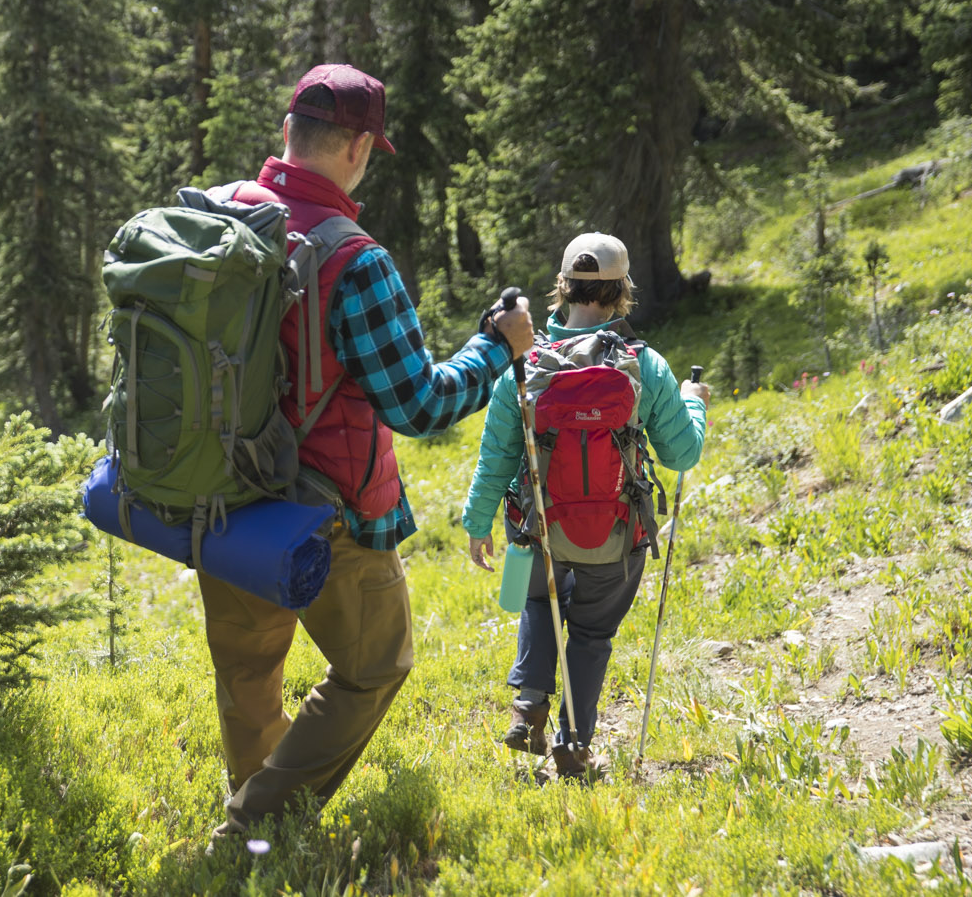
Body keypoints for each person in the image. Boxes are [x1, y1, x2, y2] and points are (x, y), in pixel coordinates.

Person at [200, 63, 536, 839]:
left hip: (218, 494)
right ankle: (254, 826)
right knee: (375, 664)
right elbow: (419, 402)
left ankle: (257, 821)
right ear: (356, 146)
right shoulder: (355, 259)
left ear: (289, 132)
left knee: (249, 667)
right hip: (323, 513)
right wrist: (495, 348)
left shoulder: (225, 215)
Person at [461, 232, 710, 778]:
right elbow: (683, 451)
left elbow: (496, 457)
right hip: (616, 534)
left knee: (536, 604)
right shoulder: (646, 365)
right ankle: (573, 746)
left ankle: (528, 705)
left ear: (563, 288)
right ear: (622, 291)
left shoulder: (524, 367)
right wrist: (694, 405)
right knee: (592, 634)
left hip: (539, 530)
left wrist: (478, 523)